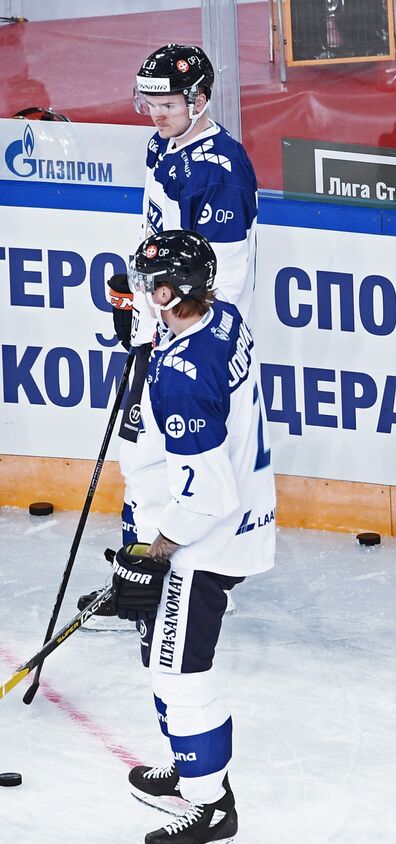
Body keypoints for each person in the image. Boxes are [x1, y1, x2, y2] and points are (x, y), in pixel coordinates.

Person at [110, 229, 276, 844]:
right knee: (162, 659)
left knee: (180, 672)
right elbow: (172, 337)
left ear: (178, 290)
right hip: (214, 526)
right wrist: (138, 325)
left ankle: (212, 813)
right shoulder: (222, 316)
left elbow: (209, 496)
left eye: (154, 287)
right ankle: (188, 770)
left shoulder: (183, 379)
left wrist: (150, 554)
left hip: (198, 542)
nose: (145, 294)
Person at [80, 43, 260, 625]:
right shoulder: (167, 143)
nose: (155, 113)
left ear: (200, 99)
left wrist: (171, 334)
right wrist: (139, 306)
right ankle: (140, 580)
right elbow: (163, 246)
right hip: (163, 327)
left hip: (189, 342)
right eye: (148, 102)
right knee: (141, 460)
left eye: (167, 102)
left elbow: (221, 283)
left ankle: (179, 585)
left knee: (174, 465)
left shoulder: (222, 172)